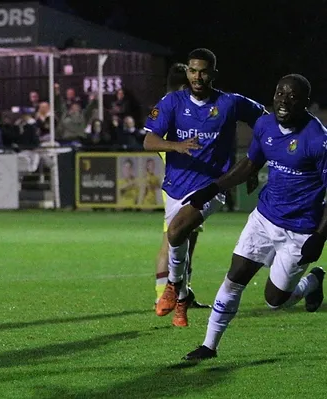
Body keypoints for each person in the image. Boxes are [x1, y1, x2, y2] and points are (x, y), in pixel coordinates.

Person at [183, 74, 326, 361]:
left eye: (292, 96)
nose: (284, 101)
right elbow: (250, 164)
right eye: (279, 93)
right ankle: (209, 346)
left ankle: (311, 282)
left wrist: (319, 237)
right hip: (264, 217)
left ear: (305, 104)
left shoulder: (318, 140)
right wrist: (212, 188)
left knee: (275, 301)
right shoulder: (264, 124)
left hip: (300, 230)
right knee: (235, 276)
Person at [143, 48, 267, 327]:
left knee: (176, 231)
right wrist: (176, 145)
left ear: (213, 73)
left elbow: (265, 123)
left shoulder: (231, 103)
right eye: (193, 70)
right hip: (176, 185)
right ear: (187, 71)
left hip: (213, 186)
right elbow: (149, 141)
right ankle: (182, 296)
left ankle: (173, 288)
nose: (198, 77)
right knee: (180, 238)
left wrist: (255, 162)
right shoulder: (172, 102)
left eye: (203, 71)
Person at [153, 63, 209, 309]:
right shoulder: (174, 108)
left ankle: (183, 293)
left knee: (185, 242)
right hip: (181, 184)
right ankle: (163, 296)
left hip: (189, 181)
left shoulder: (168, 106)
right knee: (171, 240)